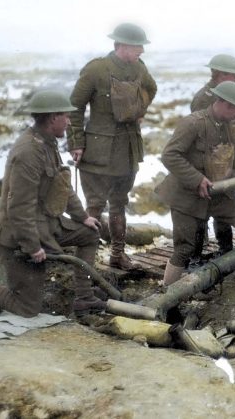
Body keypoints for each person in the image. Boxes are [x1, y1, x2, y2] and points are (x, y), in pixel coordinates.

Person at [0, 90, 105, 316]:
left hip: (47, 227)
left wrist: (83, 217)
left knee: (90, 233)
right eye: (65, 117)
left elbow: (62, 187)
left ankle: (85, 297)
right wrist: (32, 247)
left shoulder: (47, 143)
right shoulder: (28, 152)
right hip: (19, 238)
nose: (69, 122)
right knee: (27, 308)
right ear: (52, 119)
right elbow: (19, 209)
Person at [155, 81, 235, 286]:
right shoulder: (193, 123)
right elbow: (169, 156)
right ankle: (167, 295)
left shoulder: (228, 127)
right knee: (184, 249)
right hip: (186, 197)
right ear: (223, 103)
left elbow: (228, 163)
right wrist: (197, 179)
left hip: (216, 194)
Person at [68, 22, 158, 270]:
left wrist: (140, 110)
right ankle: (84, 264)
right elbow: (74, 106)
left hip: (128, 151)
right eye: (137, 46)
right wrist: (76, 143)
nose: (142, 50)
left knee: (120, 203)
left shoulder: (140, 68)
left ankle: (117, 255)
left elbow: (151, 88)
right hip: (98, 153)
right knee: (94, 208)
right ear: (122, 45)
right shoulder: (96, 69)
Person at [189, 54, 235, 260]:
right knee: (202, 210)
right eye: (234, 75)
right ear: (220, 75)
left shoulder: (233, 95)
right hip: (208, 165)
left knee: (227, 205)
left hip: (228, 161)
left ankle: (226, 252)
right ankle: (194, 257)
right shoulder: (203, 99)